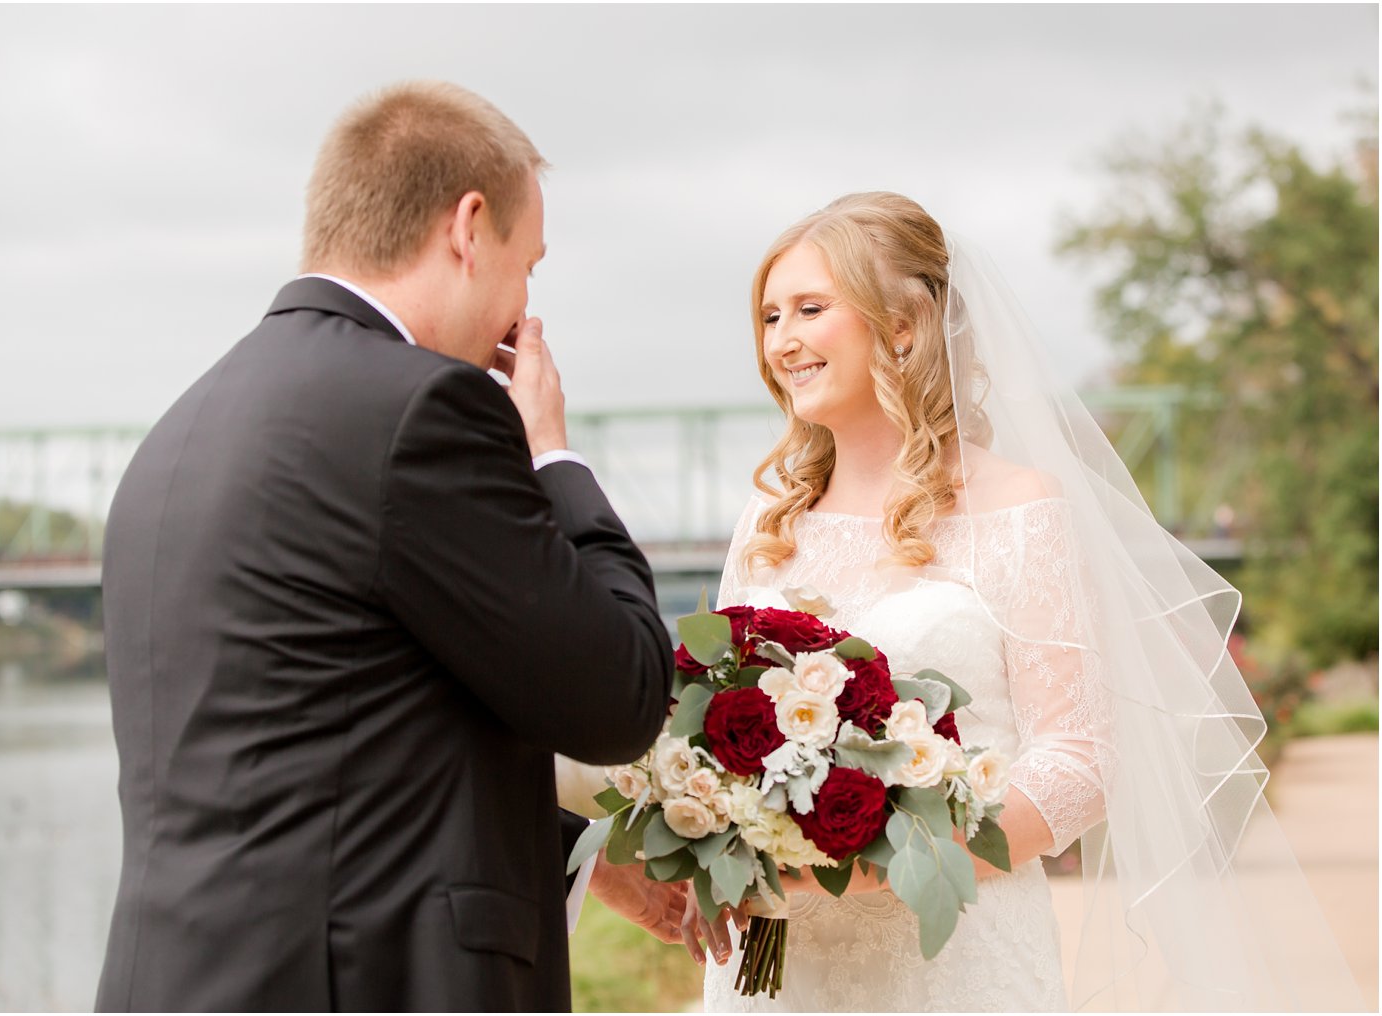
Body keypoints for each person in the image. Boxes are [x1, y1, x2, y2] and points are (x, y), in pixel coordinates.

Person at [686, 192, 1363, 1011]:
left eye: (810, 309)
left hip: (956, 960)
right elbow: (712, 723)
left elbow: (1080, 761)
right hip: (776, 961)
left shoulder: (1019, 509)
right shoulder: (768, 522)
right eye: (768, 316)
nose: (782, 339)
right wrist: (707, 831)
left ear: (902, 324)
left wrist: (896, 856)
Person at [94, 81, 684, 1012]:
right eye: (527, 264)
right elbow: (621, 694)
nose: (523, 305)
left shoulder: (180, 431)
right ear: (468, 226)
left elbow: (341, 736)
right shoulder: (418, 410)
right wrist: (552, 451)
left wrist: (582, 852)